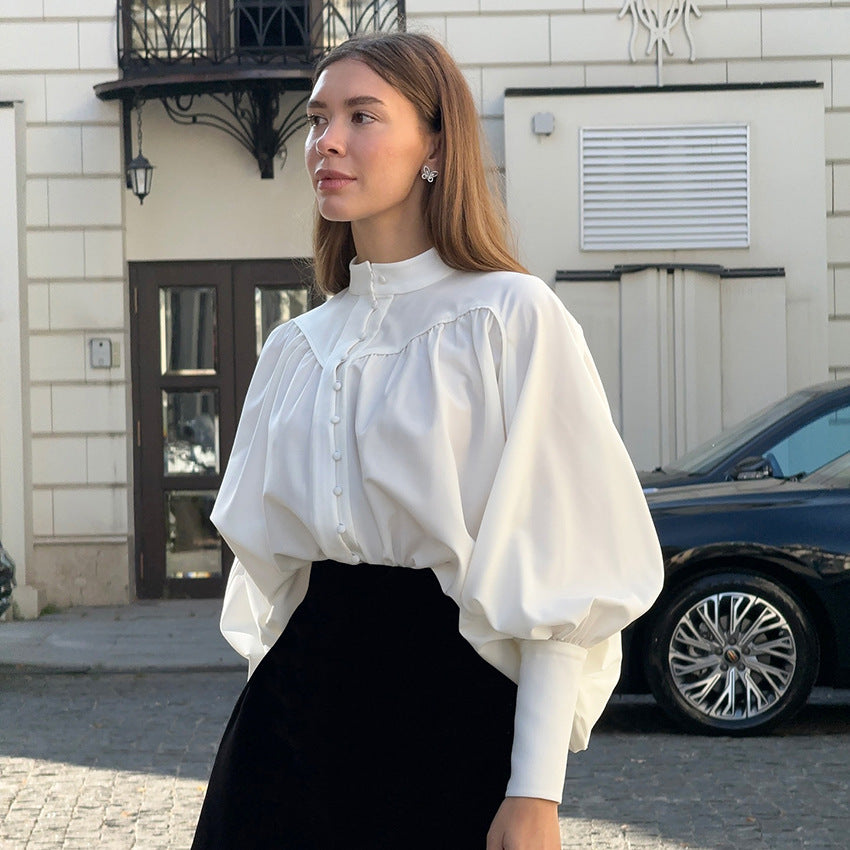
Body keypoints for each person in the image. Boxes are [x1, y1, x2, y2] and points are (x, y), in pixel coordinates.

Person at [191, 30, 664, 850]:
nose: (327, 142)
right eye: (318, 119)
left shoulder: (511, 320)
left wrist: (536, 791)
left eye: (363, 116)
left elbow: (563, 570)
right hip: (288, 727)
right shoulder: (294, 350)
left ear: (436, 144)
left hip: (450, 717)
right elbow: (274, 585)